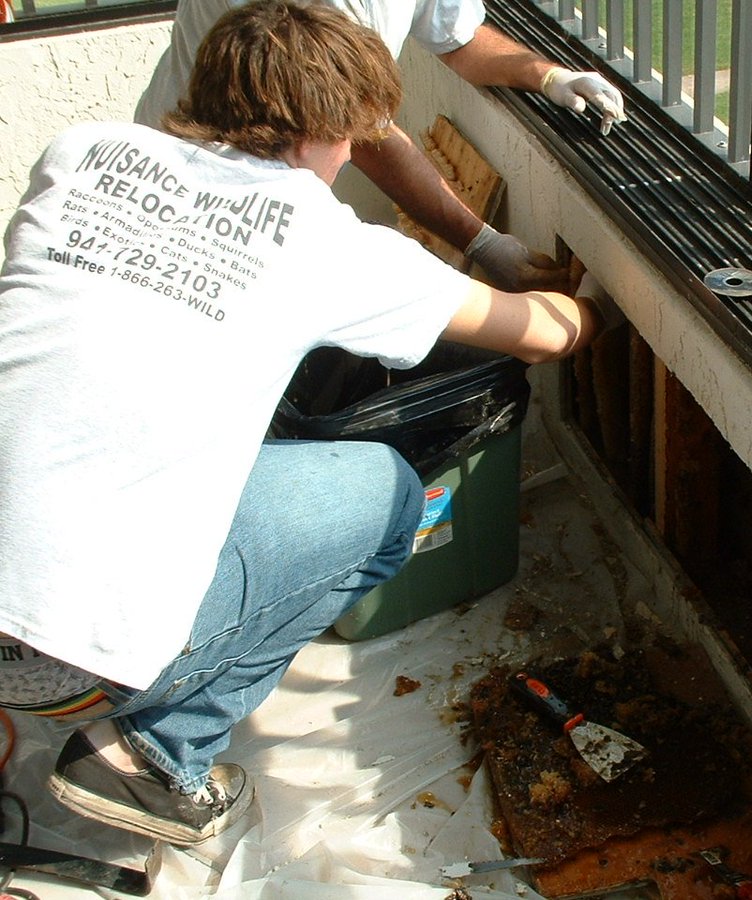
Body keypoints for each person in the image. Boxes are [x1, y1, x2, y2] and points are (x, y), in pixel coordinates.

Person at [0, 0, 620, 846]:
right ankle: (153, 755)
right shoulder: (325, 246)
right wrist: (595, 305)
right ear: (325, 134)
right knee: (381, 493)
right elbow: (543, 335)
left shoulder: (79, 154)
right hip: (55, 665)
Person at [135, 0, 627, 294]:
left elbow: (456, 36)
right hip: (197, 174)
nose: (347, 150)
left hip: (283, 162)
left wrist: (547, 76)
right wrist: (483, 243)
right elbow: (362, 131)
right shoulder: (349, 247)